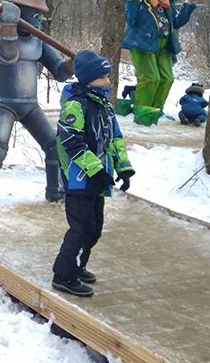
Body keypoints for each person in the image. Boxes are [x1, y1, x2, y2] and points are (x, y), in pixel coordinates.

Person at [0, 0, 72, 202]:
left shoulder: (38, 41)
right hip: (5, 104)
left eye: (39, 15)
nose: (38, 20)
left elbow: (59, 71)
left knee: (53, 146)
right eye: (34, 14)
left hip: (30, 106)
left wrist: (73, 64)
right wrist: (8, 27)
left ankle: (55, 192)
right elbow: (8, 55)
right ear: (21, 11)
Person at [52, 50, 134, 297]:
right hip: (80, 181)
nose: (107, 82)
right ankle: (64, 276)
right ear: (87, 79)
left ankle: (77, 266)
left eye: (108, 77)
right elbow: (70, 141)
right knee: (81, 229)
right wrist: (95, 171)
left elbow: (115, 139)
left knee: (95, 228)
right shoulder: (76, 105)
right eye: (102, 78)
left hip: (98, 180)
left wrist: (124, 168)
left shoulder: (104, 106)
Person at [123, 0, 207, 125]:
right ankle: (142, 111)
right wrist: (133, 0)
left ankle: (156, 110)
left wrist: (189, 4)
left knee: (167, 78)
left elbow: (176, 22)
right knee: (150, 78)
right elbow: (131, 21)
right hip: (143, 44)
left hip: (164, 44)